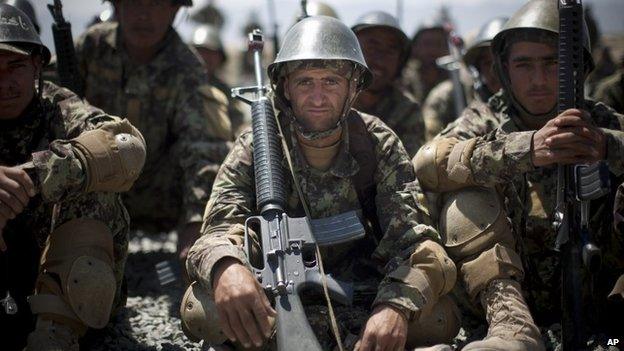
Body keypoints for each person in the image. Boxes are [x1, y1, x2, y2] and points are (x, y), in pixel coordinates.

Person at [181, 16, 459, 351]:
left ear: (353, 88)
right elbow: (215, 228)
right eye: (304, 82)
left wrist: (394, 308)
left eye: (330, 82)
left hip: (362, 292)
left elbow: (415, 242)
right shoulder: (258, 144)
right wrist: (227, 268)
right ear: (286, 88)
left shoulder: (376, 141)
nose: (317, 97)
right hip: (273, 292)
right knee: (203, 308)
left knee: (439, 317)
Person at [413, 0, 624, 349]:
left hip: (600, 306)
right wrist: (526, 149)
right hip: (498, 318)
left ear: (579, 69)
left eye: (553, 64)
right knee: (465, 197)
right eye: (523, 65)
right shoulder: (485, 118)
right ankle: (513, 327)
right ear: (504, 71)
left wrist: (606, 147)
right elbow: (427, 164)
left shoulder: (602, 124)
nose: (538, 80)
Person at [0, 4, 146, 349]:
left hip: (63, 282)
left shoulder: (59, 108)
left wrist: (37, 174)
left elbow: (127, 146)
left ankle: (56, 334)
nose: (4, 83)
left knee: (92, 180)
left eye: (15, 66)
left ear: (37, 65)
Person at [74, 0, 233, 265]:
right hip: (97, 187)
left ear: (175, 10)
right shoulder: (91, 47)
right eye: (134, 3)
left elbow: (203, 147)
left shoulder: (188, 68)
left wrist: (197, 224)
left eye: (157, 4)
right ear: (117, 6)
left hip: (160, 198)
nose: (144, 15)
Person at [351, 11, 425, 156]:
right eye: (372, 47)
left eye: (390, 50)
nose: (379, 60)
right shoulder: (329, 98)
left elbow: (407, 169)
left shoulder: (407, 111)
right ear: (352, 50)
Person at [422, 17, 507, 141]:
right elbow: (430, 149)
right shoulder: (445, 95)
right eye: (487, 63)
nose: (494, 72)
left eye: (502, 63)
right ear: (477, 68)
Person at [191, 24, 249, 137]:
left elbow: (238, 124)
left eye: (212, 53)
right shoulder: (178, 84)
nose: (206, 58)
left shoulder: (227, 92)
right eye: (201, 51)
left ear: (220, 58)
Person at [401, 22, 449, 104]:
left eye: (439, 44)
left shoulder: (454, 80)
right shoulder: (403, 78)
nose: (433, 50)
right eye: (427, 44)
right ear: (414, 48)